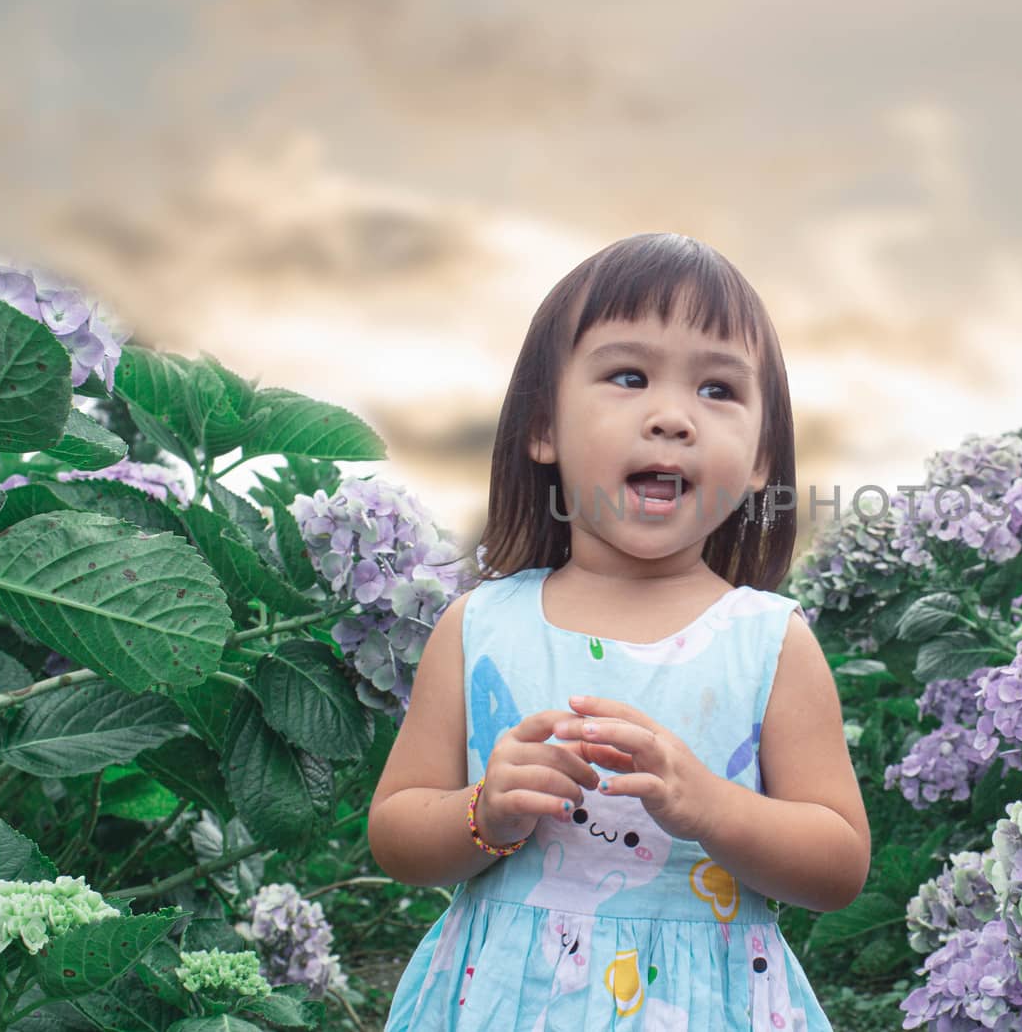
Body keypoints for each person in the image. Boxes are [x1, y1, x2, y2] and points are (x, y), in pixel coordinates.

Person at [370, 232, 870, 1030]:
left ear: (762, 455)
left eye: (718, 389)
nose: (672, 417)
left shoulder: (769, 641)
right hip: (504, 1000)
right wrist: (484, 812)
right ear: (543, 427)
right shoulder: (482, 625)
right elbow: (396, 830)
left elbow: (839, 863)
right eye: (628, 376)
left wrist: (710, 805)